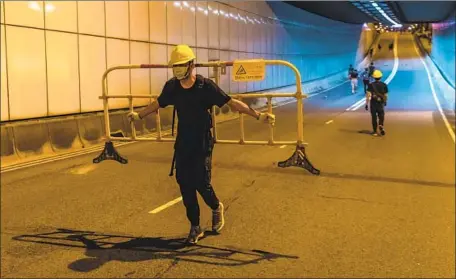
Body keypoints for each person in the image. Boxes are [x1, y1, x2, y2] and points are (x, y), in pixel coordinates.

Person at [127, 45, 275, 244]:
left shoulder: (205, 87)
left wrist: (259, 115)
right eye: (175, 66)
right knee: (184, 182)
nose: (177, 69)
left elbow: (231, 103)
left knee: (200, 182)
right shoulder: (172, 86)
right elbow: (158, 103)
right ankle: (195, 226)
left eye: (180, 65)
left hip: (202, 141)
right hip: (183, 141)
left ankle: (216, 207)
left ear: (191, 64)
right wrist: (139, 115)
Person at [365, 70, 388, 136]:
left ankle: (375, 131)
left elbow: (368, 95)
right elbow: (386, 95)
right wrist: (385, 101)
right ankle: (381, 125)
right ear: (380, 77)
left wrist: (366, 104)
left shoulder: (370, 85)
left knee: (374, 118)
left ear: (374, 77)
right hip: (380, 104)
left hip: (373, 104)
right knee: (381, 116)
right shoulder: (384, 85)